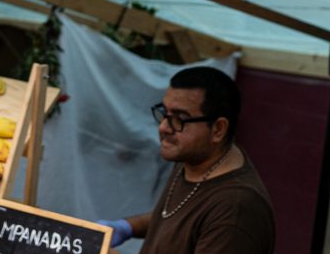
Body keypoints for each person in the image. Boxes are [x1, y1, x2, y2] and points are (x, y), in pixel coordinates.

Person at [100, 66, 275, 254]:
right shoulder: (196, 157)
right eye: (164, 113)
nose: (164, 127)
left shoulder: (236, 209)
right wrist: (127, 227)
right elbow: (175, 218)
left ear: (218, 129)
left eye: (180, 118)